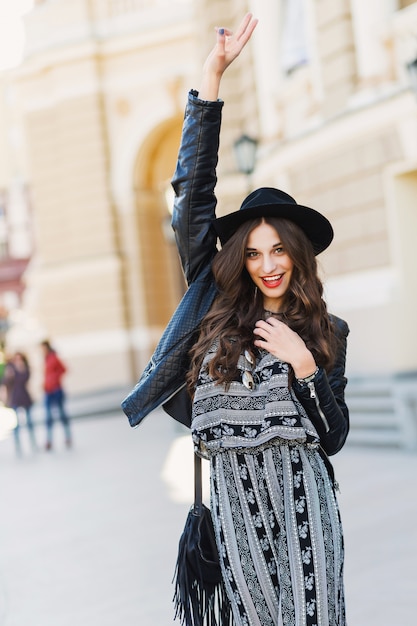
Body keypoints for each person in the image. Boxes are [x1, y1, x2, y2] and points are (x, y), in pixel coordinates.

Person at [123, 13, 349, 626]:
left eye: (279, 250)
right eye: (253, 252)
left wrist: (306, 368)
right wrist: (210, 82)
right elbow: (191, 197)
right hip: (235, 504)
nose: (267, 264)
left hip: (306, 507)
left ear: (298, 255)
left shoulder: (327, 332)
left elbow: (333, 438)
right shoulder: (216, 309)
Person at [3, 352, 37, 455]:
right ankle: (18, 446)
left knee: (30, 422)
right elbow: (5, 382)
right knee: (16, 424)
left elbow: (25, 379)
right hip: (15, 398)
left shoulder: (24, 369)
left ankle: (33, 443)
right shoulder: (10, 369)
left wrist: (21, 368)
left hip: (25, 397)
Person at [41, 339, 72, 450]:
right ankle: (49, 440)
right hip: (48, 391)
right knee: (48, 417)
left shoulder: (54, 358)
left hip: (56, 390)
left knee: (62, 414)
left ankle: (68, 437)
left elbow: (64, 369)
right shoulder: (46, 359)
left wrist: (54, 379)